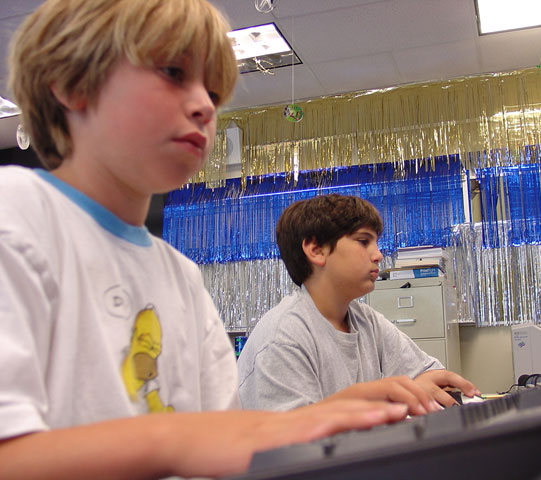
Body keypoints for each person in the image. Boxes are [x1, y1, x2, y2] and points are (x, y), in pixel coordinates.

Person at [0, 1, 410, 479]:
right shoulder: (17, 213)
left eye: (213, 94)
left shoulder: (180, 276)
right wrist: (176, 440)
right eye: (173, 73)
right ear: (72, 84)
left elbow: (223, 444)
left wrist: (320, 420)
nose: (204, 107)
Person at [237, 194, 480, 414]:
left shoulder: (365, 320)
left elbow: (427, 375)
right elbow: (296, 440)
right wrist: (392, 401)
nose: (378, 255)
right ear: (316, 250)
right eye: (363, 241)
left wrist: (423, 384)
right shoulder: (284, 336)